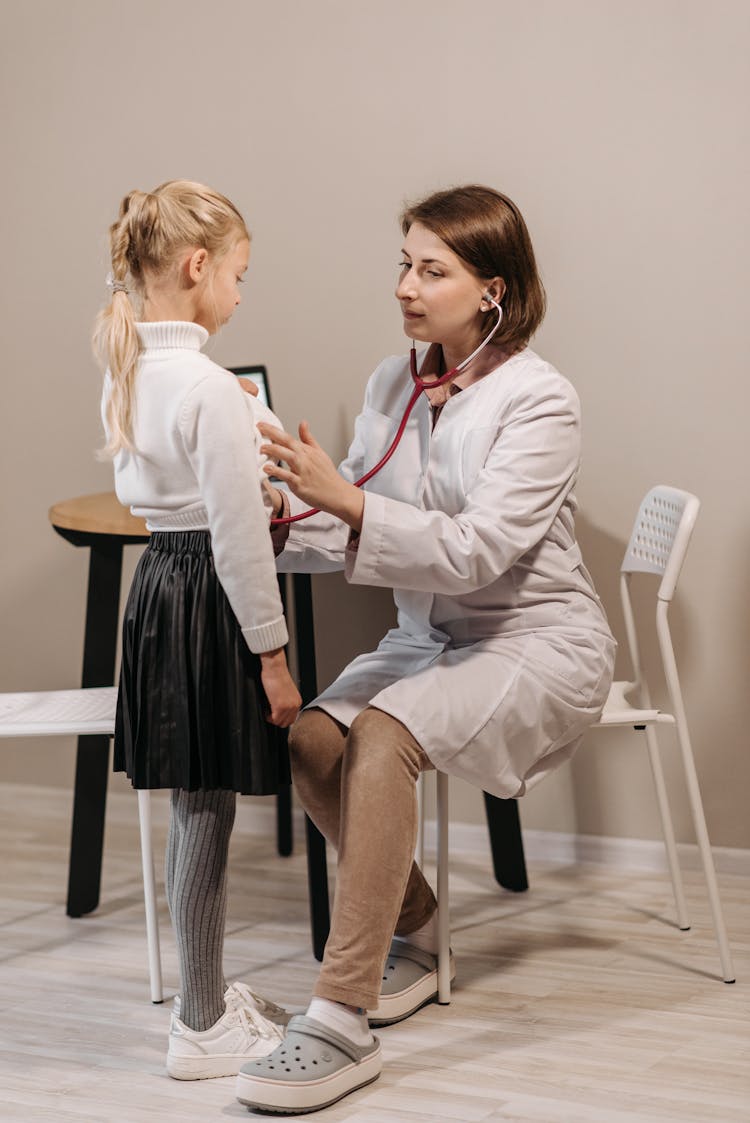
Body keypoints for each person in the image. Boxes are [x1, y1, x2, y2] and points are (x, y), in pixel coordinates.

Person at [233, 184, 616, 1114]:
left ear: (492, 288)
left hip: (537, 641)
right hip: (432, 637)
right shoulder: (393, 382)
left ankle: (341, 1017)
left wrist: (344, 498)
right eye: (403, 263)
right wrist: (280, 518)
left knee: (384, 729)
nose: (406, 285)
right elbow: (353, 515)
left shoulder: (541, 400)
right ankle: (418, 928)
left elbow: (476, 547)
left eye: (430, 269)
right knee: (315, 738)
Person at [95, 180, 302, 1080]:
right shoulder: (213, 388)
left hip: (156, 589)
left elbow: (165, 498)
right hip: (210, 594)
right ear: (197, 265)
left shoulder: (128, 366)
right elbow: (240, 542)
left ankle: (205, 1001)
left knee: (193, 806)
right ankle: (202, 1025)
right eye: (239, 275)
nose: (241, 295)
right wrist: (276, 658)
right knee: (207, 811)